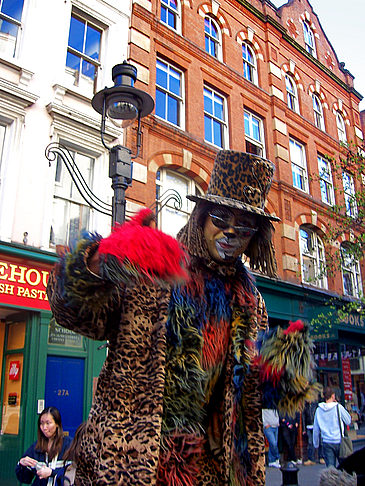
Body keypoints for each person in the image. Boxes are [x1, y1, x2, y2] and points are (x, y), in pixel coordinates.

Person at [47, 150, 319, 485]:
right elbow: (73, 314)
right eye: (221, 219)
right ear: (202, 216)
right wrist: (98, 262)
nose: (232, 233)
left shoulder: (251, 303)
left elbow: (248, 394)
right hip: (133, 463)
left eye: (245, 227)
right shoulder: (156, 270)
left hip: (212, 468)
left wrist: (282, 371)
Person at [15, 407, 73, 485]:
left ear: (57, 424)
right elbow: (25, 479)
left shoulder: (69, 444)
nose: (44, 428)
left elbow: (74, 473)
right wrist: (21, 465)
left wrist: (52, 473)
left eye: (48, 423)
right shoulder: (36, 447)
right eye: (41, 423)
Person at [313, 386, 351, 467]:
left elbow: (316, 429)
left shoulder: (318, 410)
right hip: (339, 440)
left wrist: (316, 444)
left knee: (330, 468)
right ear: (333, 396)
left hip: (326, 441)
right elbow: (348, 420)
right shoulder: (338, 407)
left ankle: (331, 480)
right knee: (344, 467)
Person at [302, 399, 318, 465]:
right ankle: (310, 458)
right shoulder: (305, 407)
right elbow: (303, 418)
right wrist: (304, 429)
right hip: (308, 426)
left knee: (315, 442)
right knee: (310, 442)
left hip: (315, 426)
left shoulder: (315, 405)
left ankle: (314, 458)